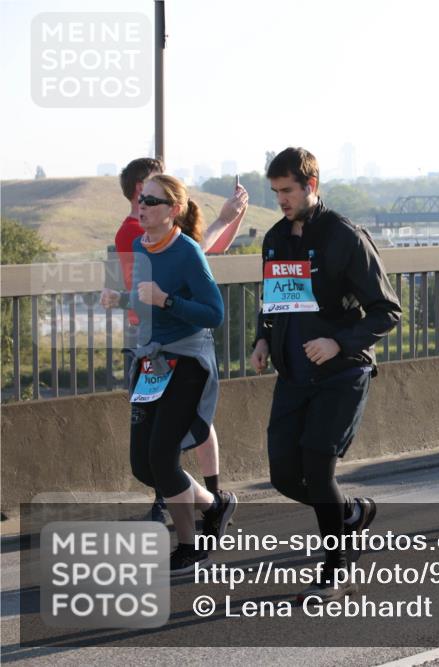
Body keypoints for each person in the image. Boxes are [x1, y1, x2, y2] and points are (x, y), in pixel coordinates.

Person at [250, 147, 400, 602]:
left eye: (288, 190)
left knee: (317, 470)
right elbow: (274, 302)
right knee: (282, 475)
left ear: (311, 185)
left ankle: (336, 570)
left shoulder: (345, 236)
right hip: (293, 375)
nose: (281, 199)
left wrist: (339, 341)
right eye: (275, 192)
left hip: (341, 372)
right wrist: (262, 339)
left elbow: (387, 311)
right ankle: (350, 513)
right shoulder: (275, 238)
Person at [101, 174, 237, 575]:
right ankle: (214, 505)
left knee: (162, 456)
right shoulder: (141, 247)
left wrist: (168, 299)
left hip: (189, 361)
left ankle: (189, 545)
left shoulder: (188, 251)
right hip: (152, 362)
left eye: (153, 201)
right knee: (143, 466)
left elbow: (214, 313)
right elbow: (148, 303)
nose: (143, 206)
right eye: (142, 199)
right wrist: (121, 299)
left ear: (174, 209)